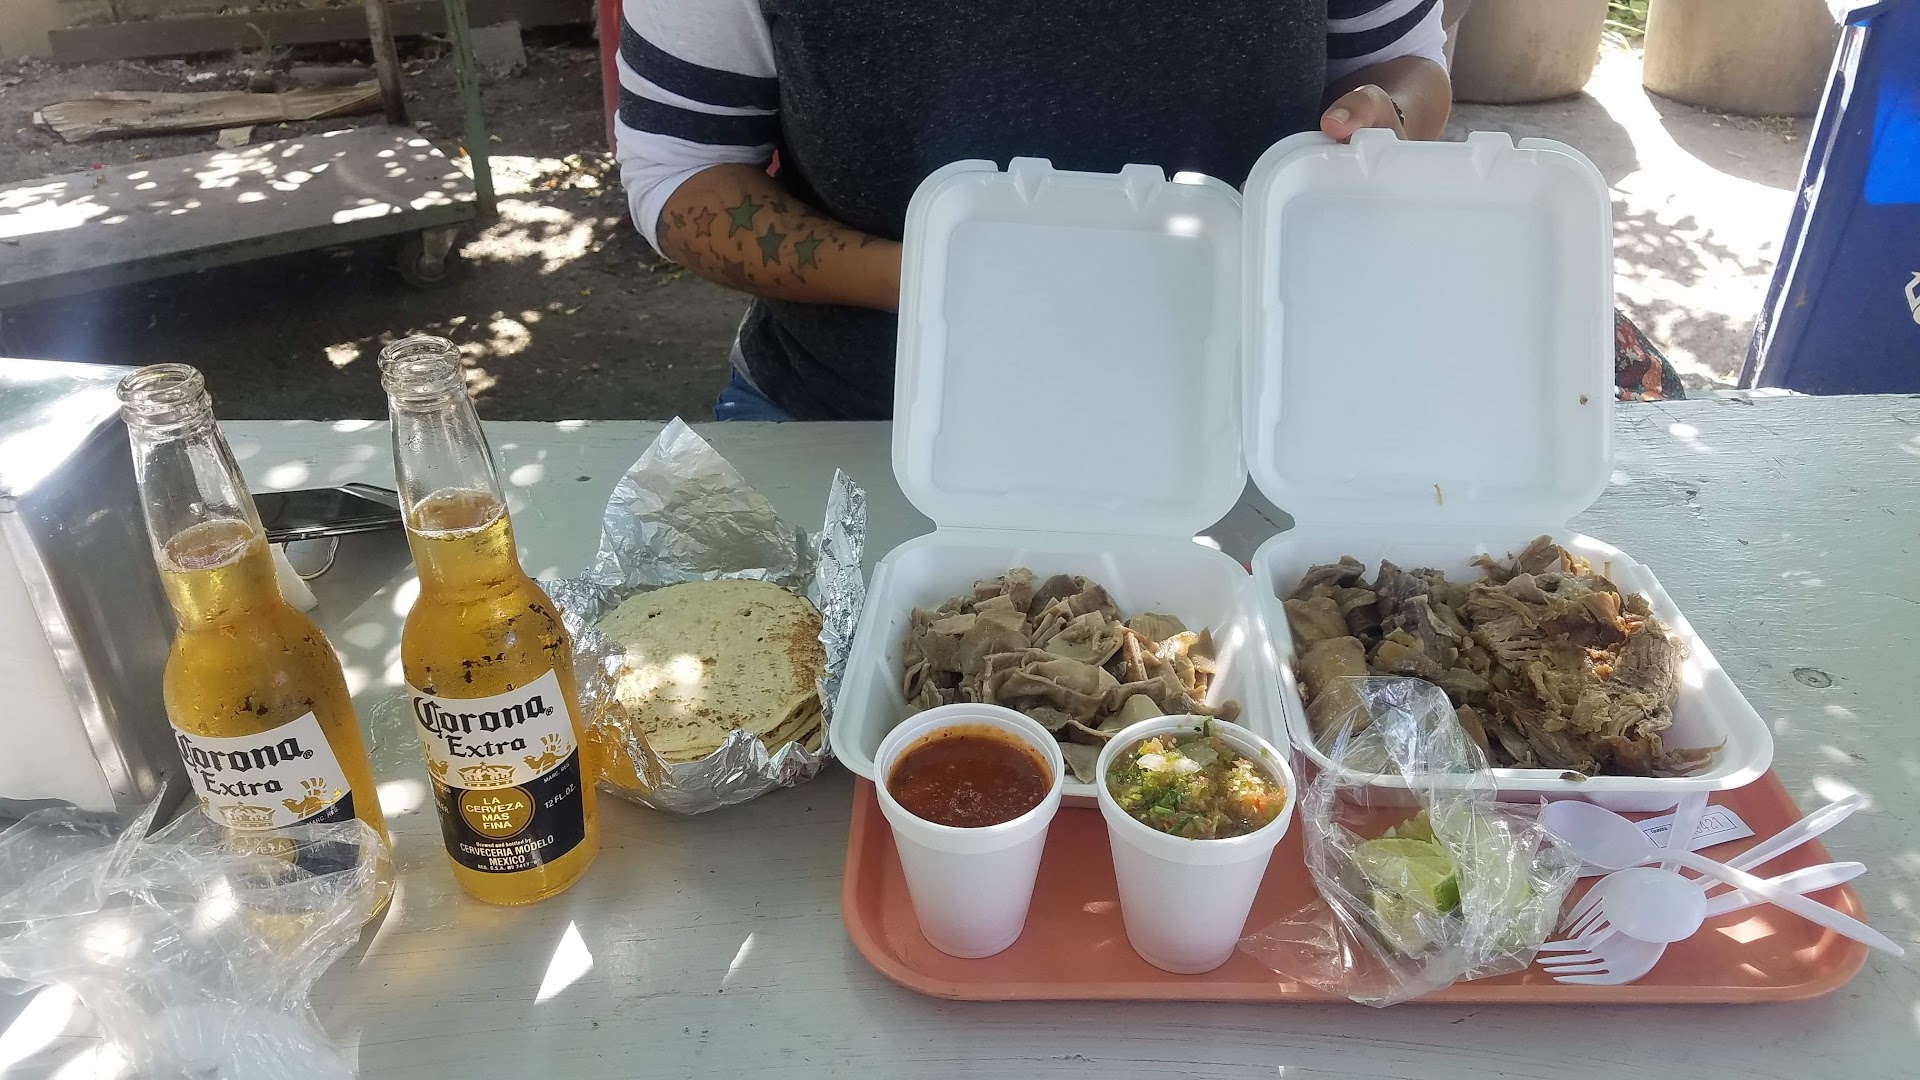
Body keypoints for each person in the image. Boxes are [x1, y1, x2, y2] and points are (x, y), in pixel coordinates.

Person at [613, 3, 1438, 421]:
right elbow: (681, 175)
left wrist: (1387, 120)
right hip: (856, 418)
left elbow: (1406, 67)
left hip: (1253, 426)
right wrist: (934, 279)